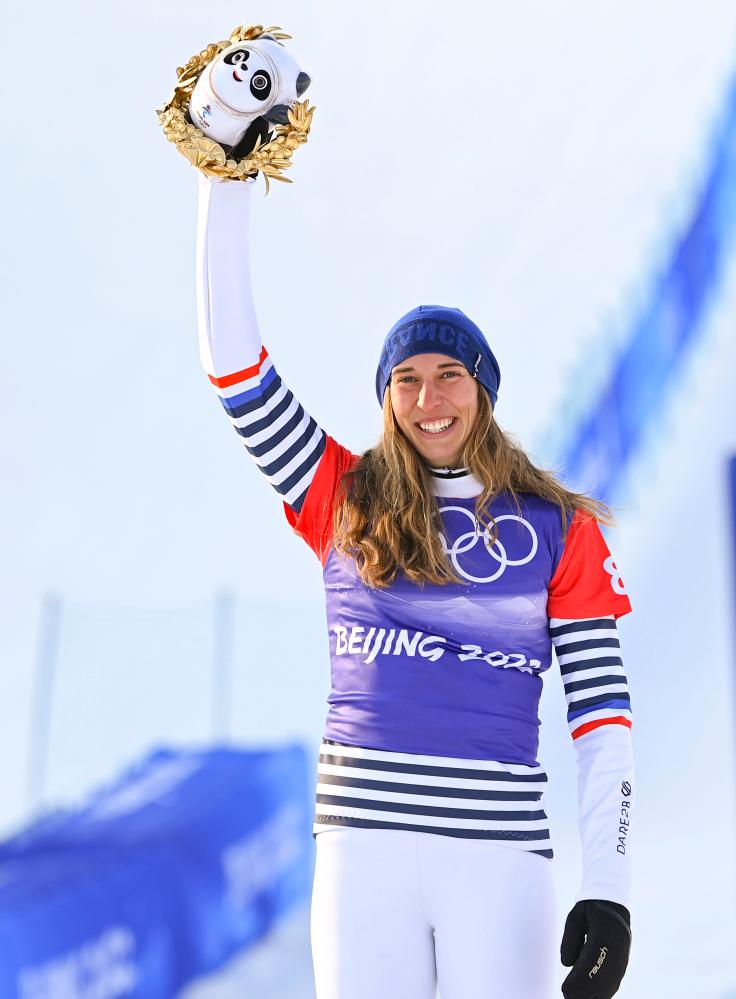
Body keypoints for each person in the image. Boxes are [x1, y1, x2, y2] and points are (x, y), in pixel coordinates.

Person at [195, 173, 635, 999]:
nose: (428, 398)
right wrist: (226, 180)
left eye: (449, 374)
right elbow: (234, 371)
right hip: (362, 852)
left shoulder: (559, 528)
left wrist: (609, 890)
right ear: (386, 396)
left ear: (484, 390)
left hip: (498, 858)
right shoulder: (338, 494)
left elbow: (602, 718)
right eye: (406, 378)